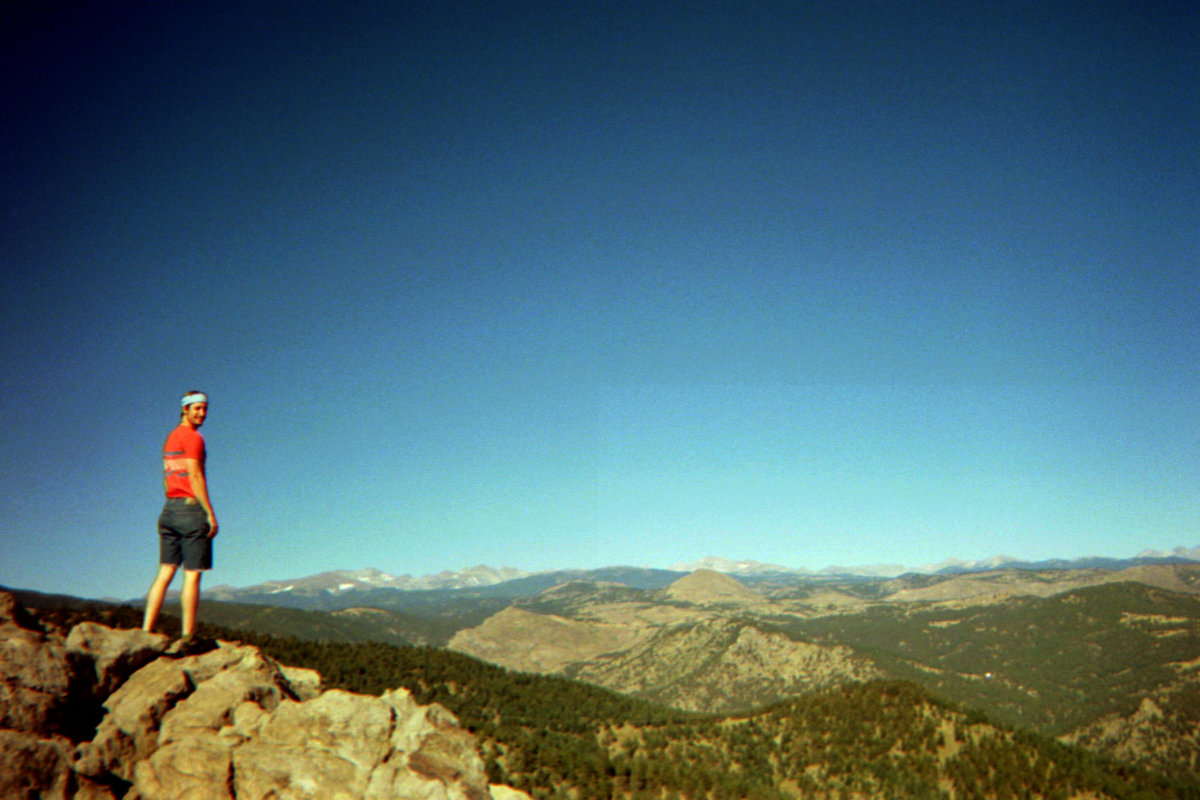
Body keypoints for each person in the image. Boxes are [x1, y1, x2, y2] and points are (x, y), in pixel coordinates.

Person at [142, 390, 218, 638]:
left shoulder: (171, 438)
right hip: (191, 509)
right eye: (197, 408)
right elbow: (195, 475)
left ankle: (146, 631)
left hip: (169, 509)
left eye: (205, 409)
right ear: (185, 409)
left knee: (165, 572)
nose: (202, 413)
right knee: (192, 575)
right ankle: (188, 636)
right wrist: (209, 512)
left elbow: (168, 477)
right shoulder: (193, 438)